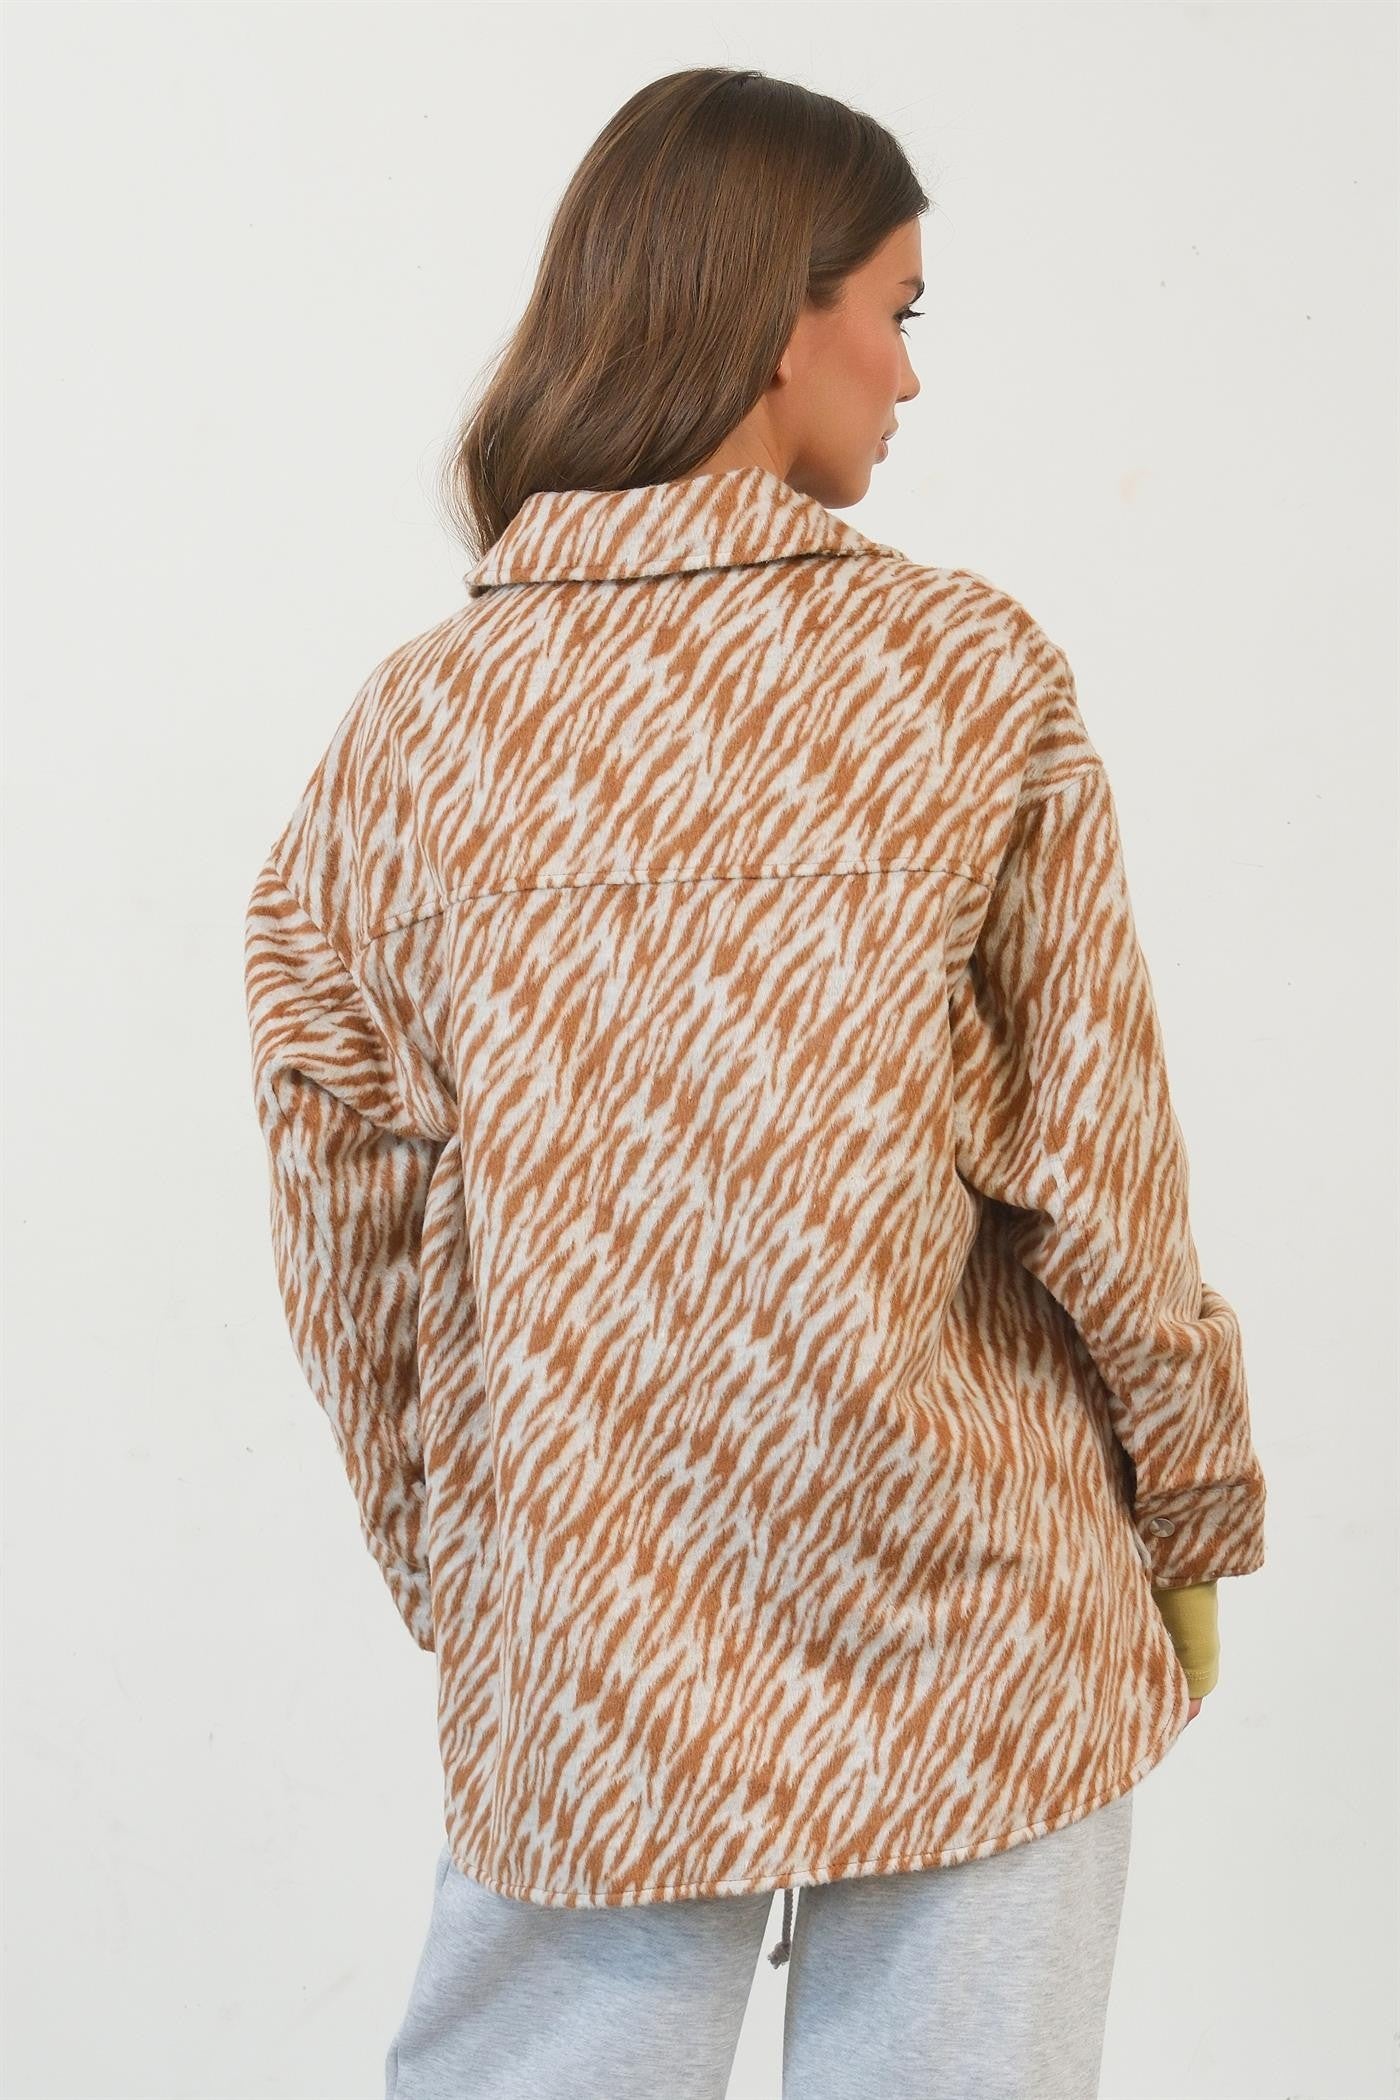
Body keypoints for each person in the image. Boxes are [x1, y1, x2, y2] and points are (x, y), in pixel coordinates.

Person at [242, 64, 1265, 2100]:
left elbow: (340, 1197)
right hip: (976, 1606)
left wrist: (472, 1561)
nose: (909, 372)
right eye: (895, 308)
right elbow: (1100, 1169)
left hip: (592, 1630)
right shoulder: (962, 673)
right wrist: (1191, 1508)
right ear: (777, 316)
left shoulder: (417, 731)